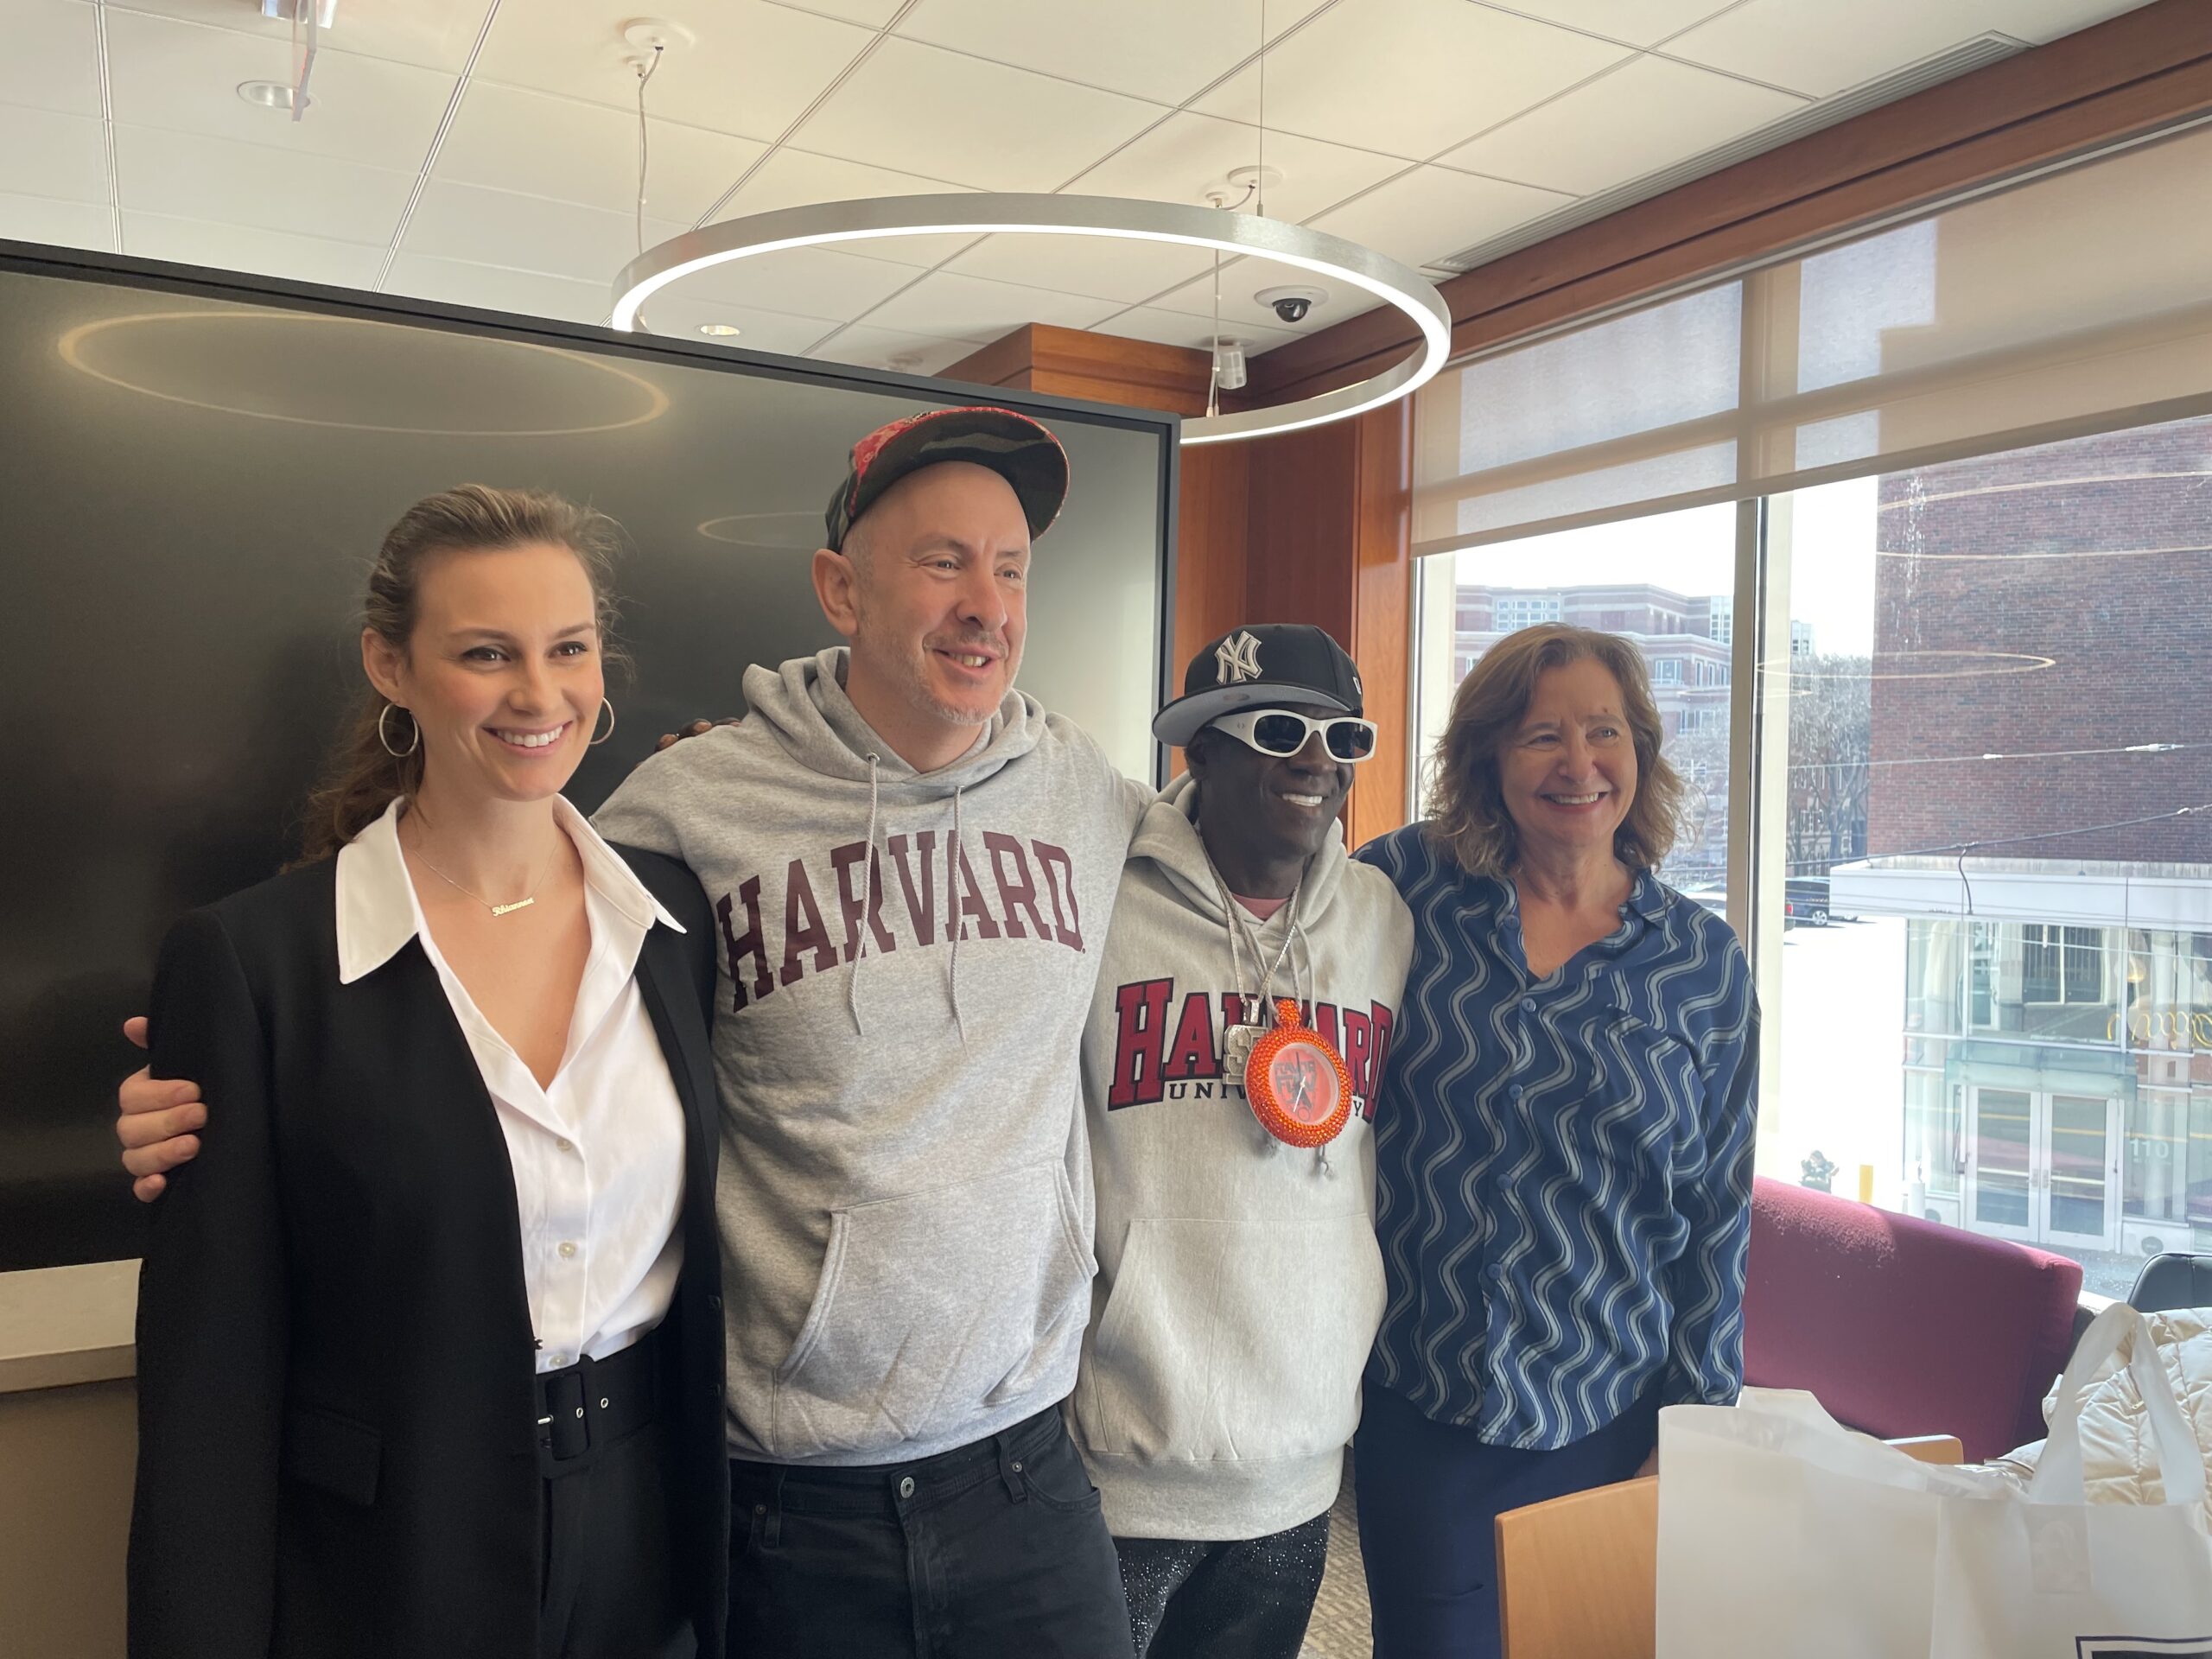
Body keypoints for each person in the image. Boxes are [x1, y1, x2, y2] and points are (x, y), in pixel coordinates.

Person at [118, 408, 1152, 1657]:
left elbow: (1251, 881)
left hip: (984, 1475)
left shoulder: (1089, 799)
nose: (985, 602)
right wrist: (219, 1086)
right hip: (754, 1496)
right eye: (942, 562)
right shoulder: (680, 834)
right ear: (840, 588)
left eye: (1011, 567)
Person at [124, 486, 729, 1659]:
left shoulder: (675, 925)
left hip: (648, 1533)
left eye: (569, 649)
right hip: (392, 1560)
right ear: (389, 666)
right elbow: (212, 1388)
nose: (540, 694)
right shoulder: (255, 964)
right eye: (485, 654)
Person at [1350, 624, 1758, 1659]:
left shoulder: (1701, 963)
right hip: (1428, 1405)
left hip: (1611, 1411)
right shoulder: (1402, 888)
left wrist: (1697, 1422)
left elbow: (1717, 1211)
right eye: (1540, 736)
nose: (1578, 766)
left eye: (1603, 733)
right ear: (1488, 756)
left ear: (1642, 753)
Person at [1074, 625, 1412, 1659]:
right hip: (1122, 1454)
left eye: (1342, 738)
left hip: (1300, 1457)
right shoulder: (1097, 901)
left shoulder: (1381, 921)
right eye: (1278, 729)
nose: (1316, 760)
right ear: (1200, 750)